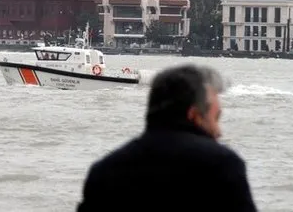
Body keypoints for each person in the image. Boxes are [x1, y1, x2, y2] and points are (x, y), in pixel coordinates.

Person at [77, 64, 257, 212]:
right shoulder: (222, 165)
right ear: (193, 115)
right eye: (216, 118)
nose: (219, 131)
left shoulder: (104, 171)